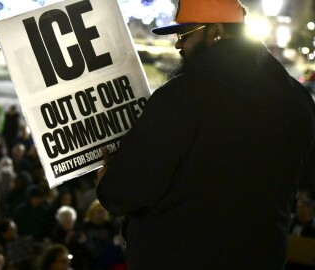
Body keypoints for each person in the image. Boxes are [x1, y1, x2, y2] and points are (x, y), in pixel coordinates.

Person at [96, 0, 315, 269]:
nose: (178, 45)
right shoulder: (297, 98)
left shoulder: (182, 97)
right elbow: (306, 176)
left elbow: (123, 192)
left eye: (185, 34)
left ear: (216, 32)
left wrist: (108, 179)